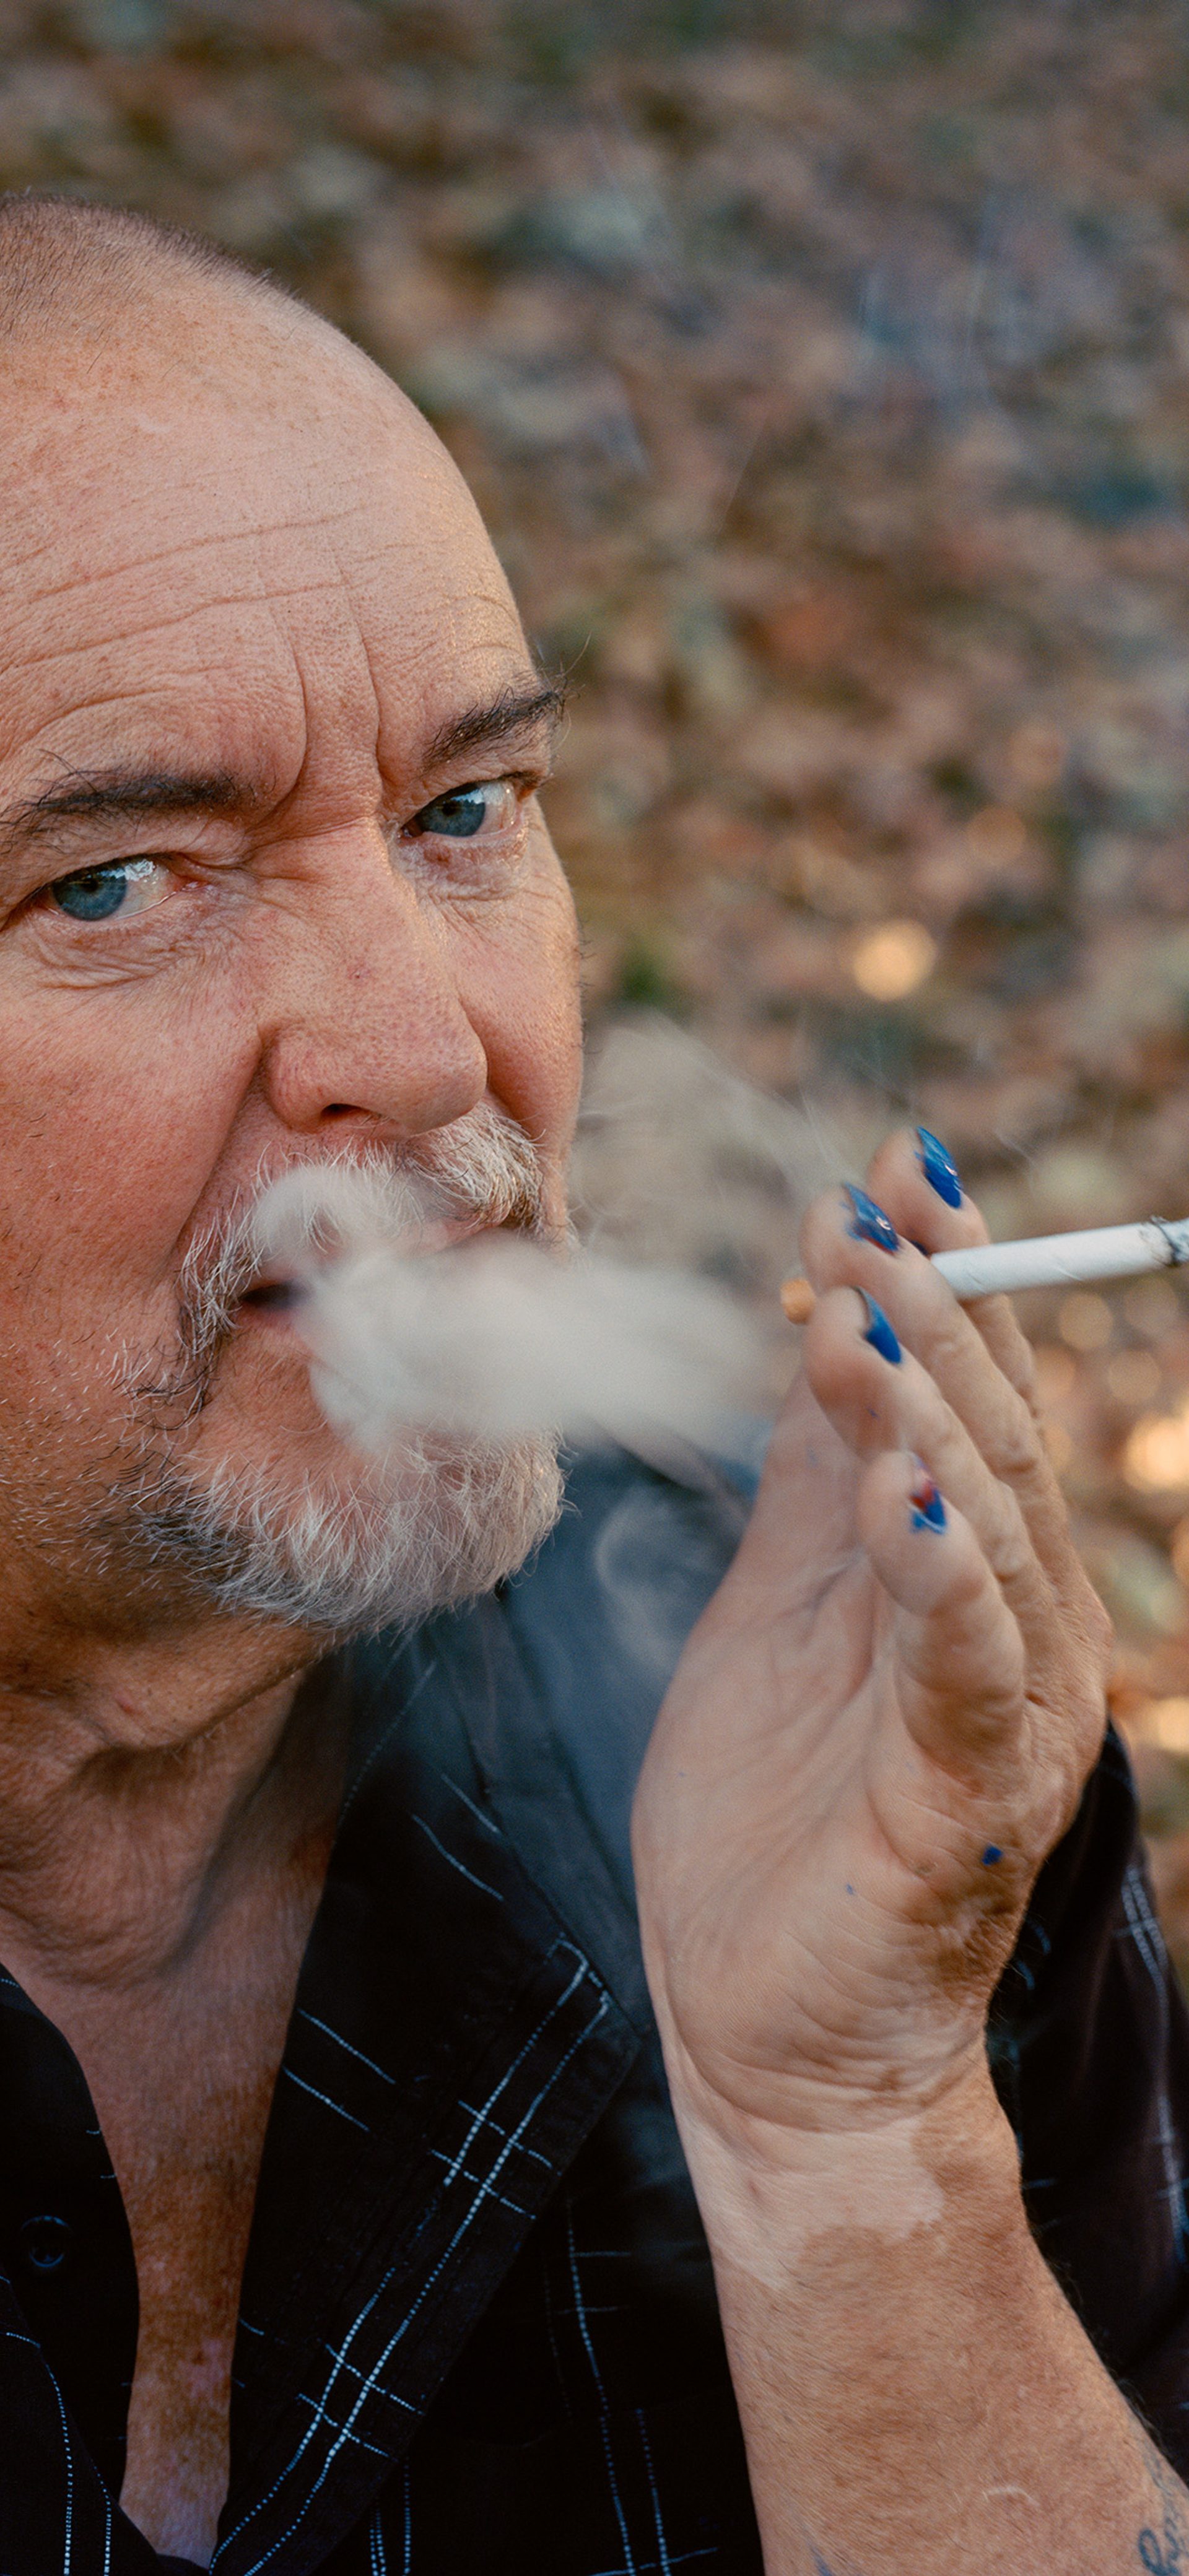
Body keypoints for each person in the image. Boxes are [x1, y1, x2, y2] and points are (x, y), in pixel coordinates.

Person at [0, 189, 1184, 2576]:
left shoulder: (819, 1682)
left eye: (465, 815)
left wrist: (857, 2127)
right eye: (118, 881)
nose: (434, 1052)